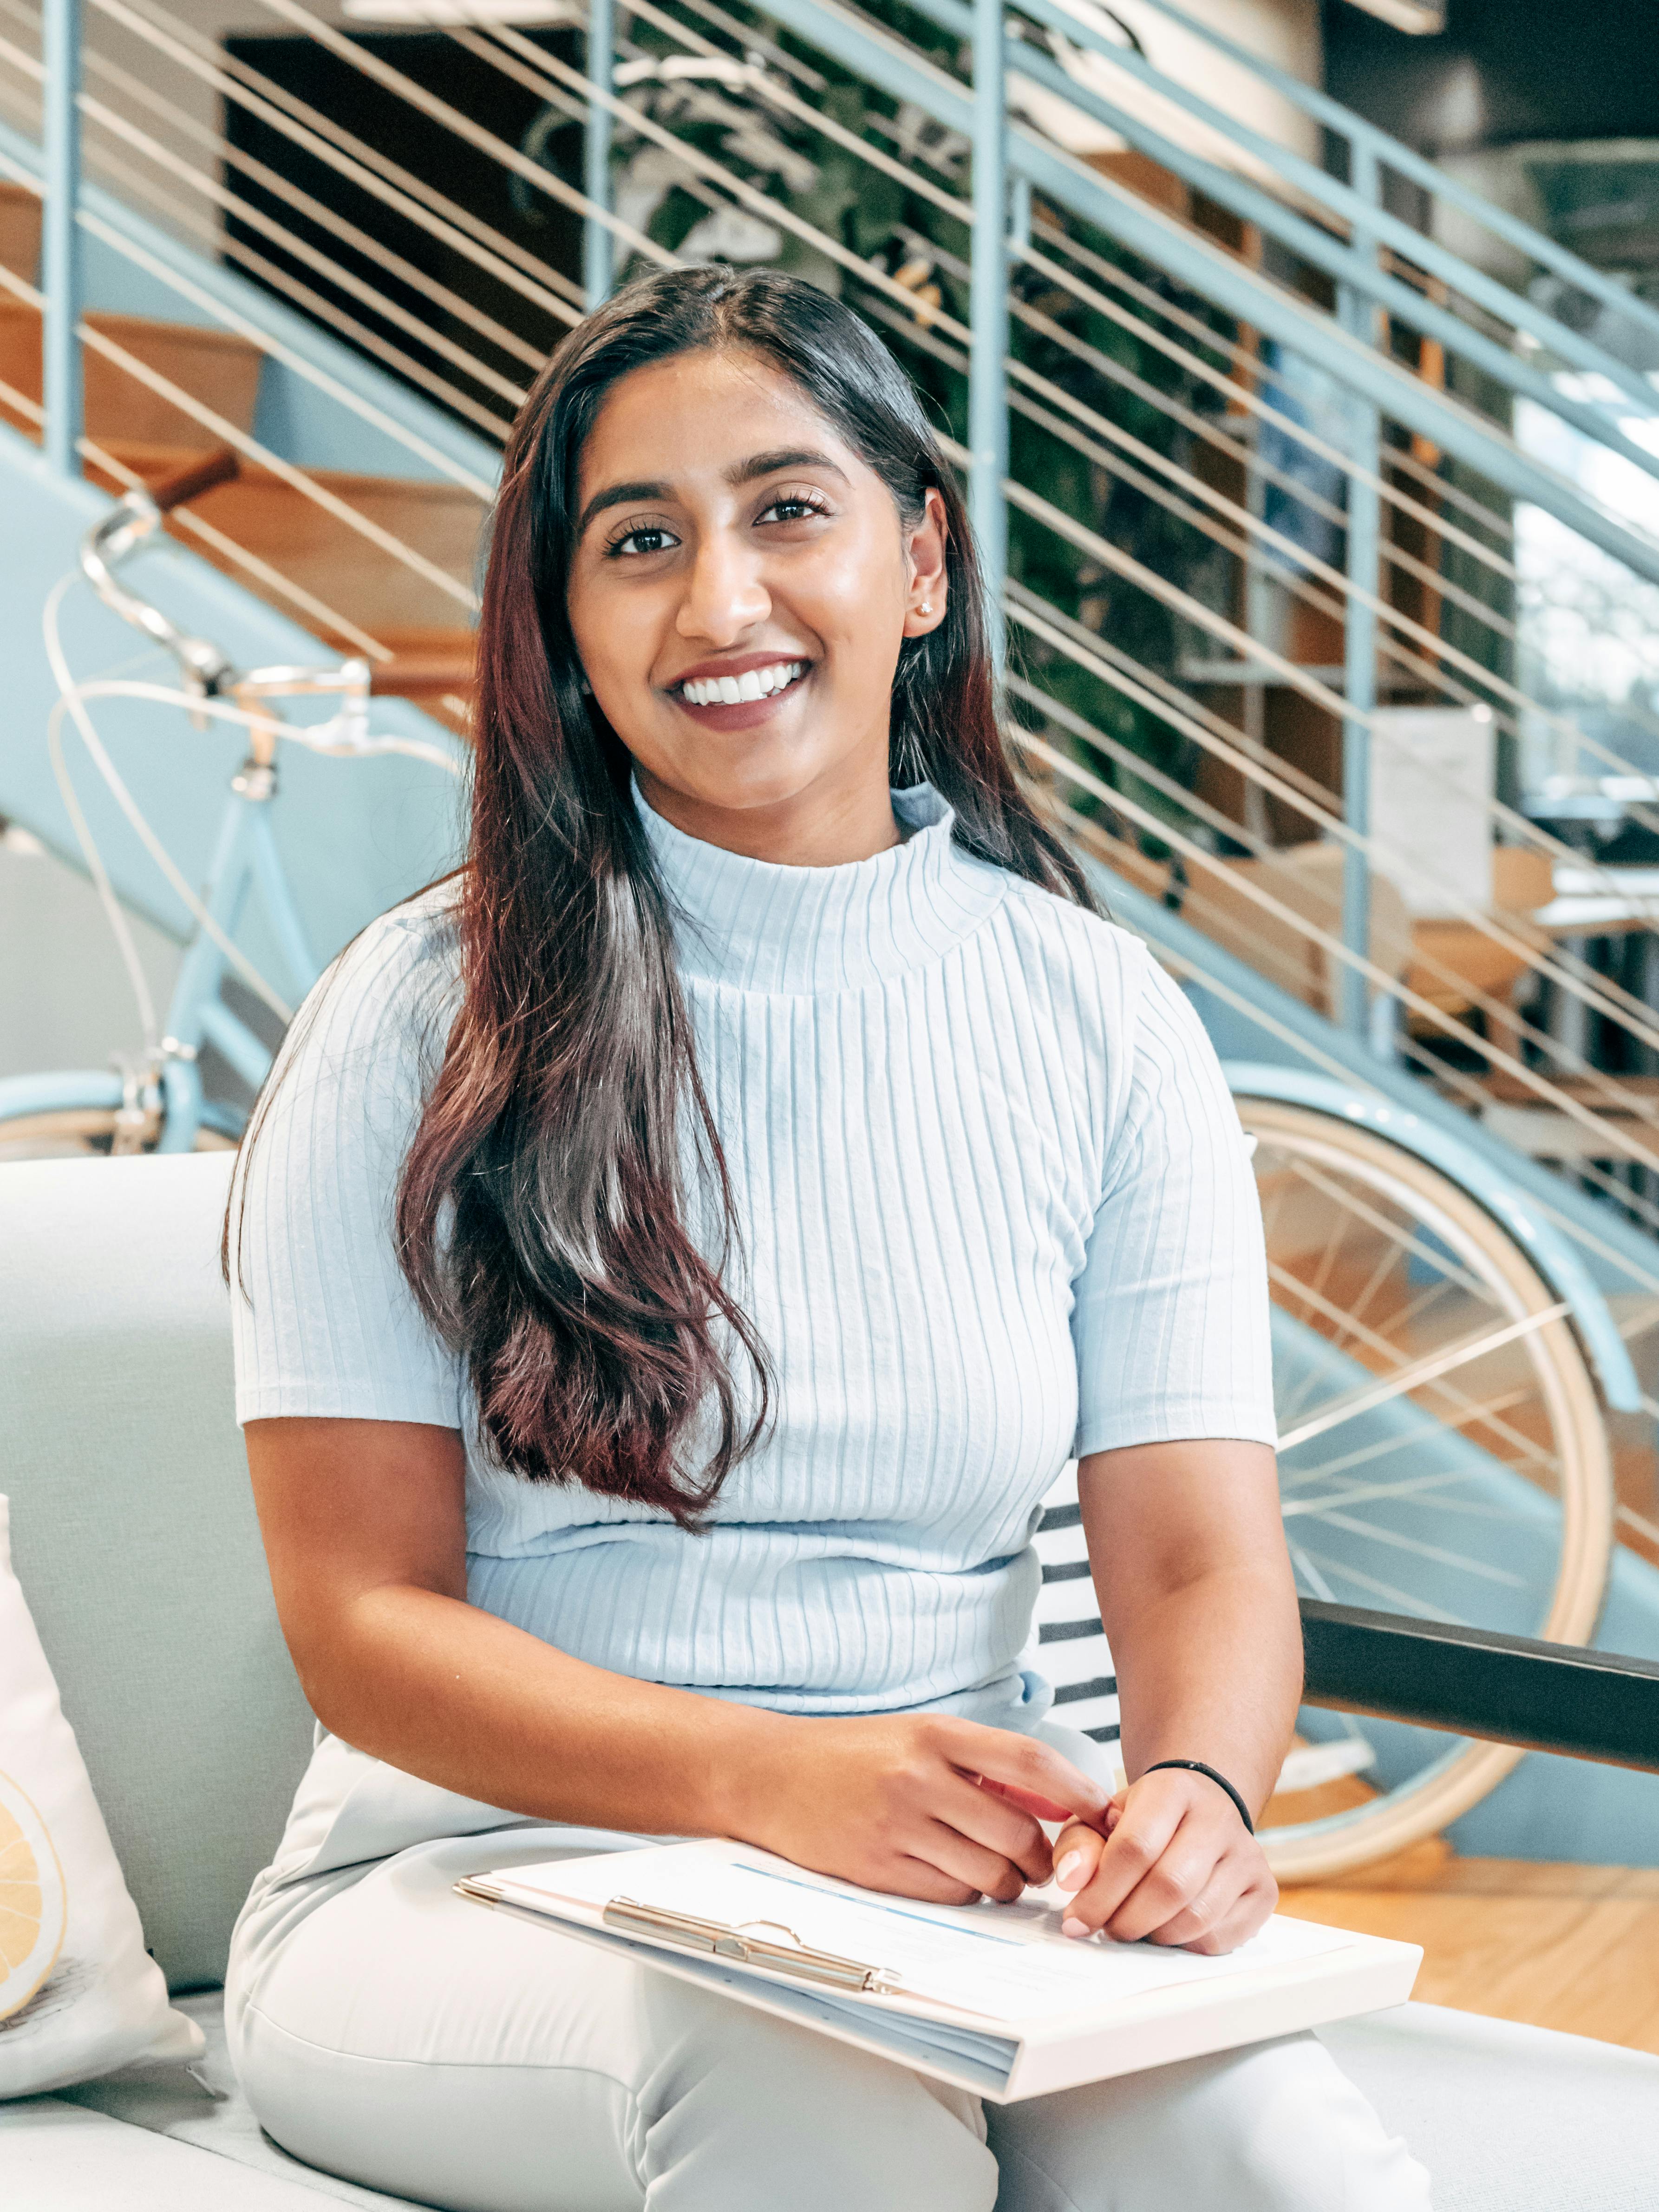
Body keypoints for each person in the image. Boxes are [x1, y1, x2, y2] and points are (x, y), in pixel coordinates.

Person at [224, 264, 1431, 2211]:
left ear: (921, 561)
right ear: (568, 618)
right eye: (639, 541)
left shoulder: (1097, 1017)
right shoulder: (412, 1014)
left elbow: (1200, 1556)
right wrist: (765, 1780)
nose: (721, 603)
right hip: (461, 1881)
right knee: (813, 2105)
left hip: (953, 1900)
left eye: (788, 511)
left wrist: (1196, 1796)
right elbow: (361, 1629)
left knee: (1284, 2165)